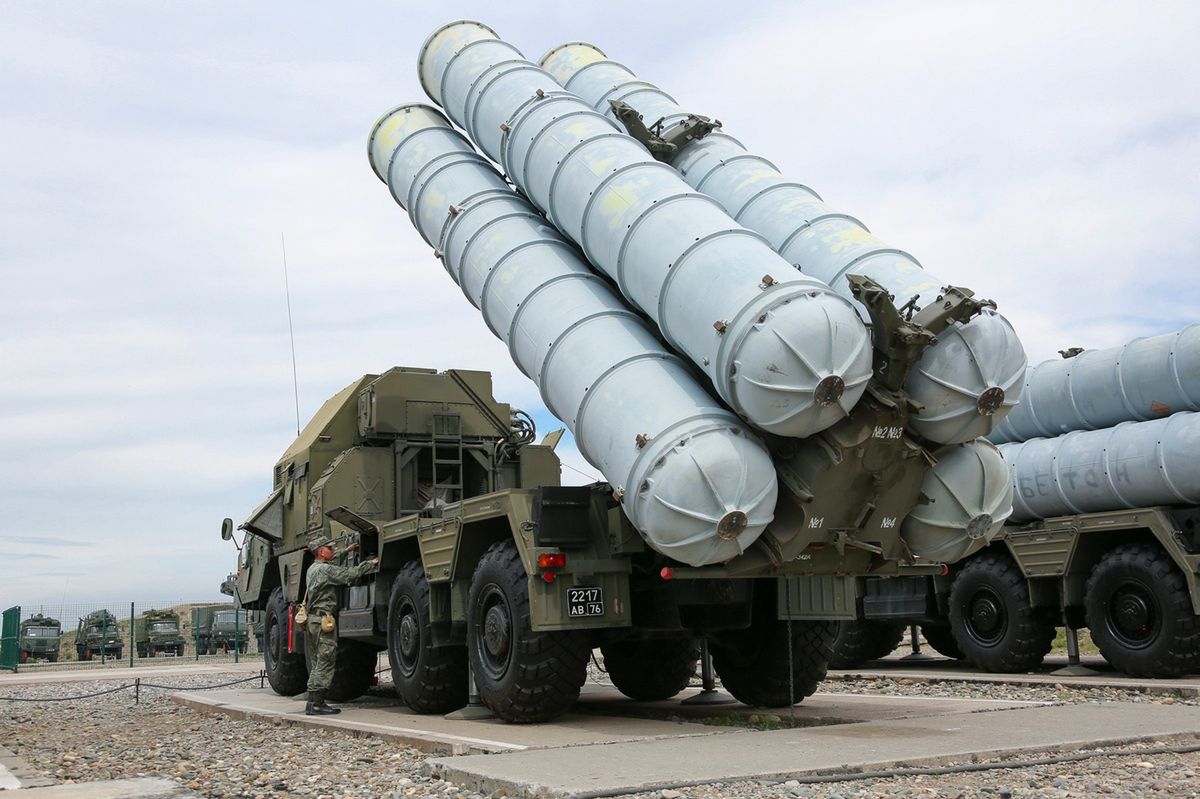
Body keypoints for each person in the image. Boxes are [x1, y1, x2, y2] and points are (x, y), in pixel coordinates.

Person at [302, 536, 378, 716]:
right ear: (321, 551)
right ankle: (318, 703)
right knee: (326, 662)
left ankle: (312, 703)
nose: (333, 550)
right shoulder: (325, 571)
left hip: (312, 621)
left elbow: (333, 562)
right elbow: (349, 575)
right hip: (323, 621)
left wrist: (347, 550)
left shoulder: (313, 569)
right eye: (329, 548)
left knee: (316, 662)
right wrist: (372, 563)